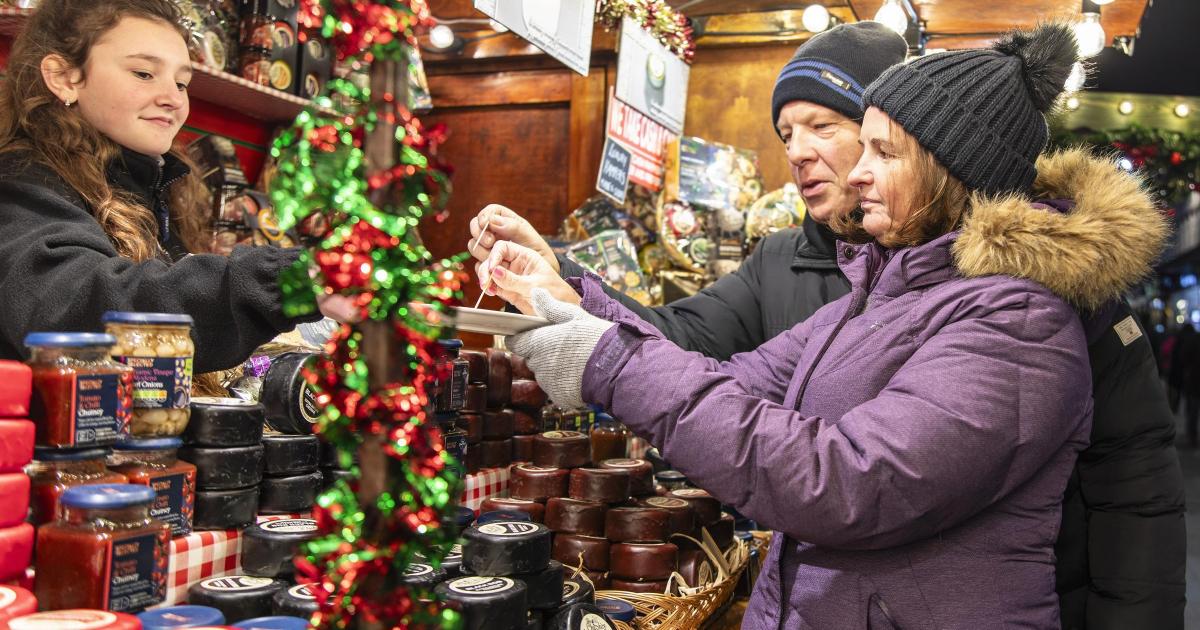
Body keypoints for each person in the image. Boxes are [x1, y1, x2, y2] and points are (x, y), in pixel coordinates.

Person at [472, 26, 1186, 630]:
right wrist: (573, 302)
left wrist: (609, 361)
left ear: (948, 168)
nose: (857, 173)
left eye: (882, 151)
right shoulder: (874, 296)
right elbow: (723, 378)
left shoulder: (1021, 318)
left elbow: (848, 483)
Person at [470, 21, 907, 359]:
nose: (796, 153)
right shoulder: (777, 259)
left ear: (883, 135)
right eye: (786, 134)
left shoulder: (948, 265)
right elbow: (675, 334)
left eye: (822, 126)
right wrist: (558, 273)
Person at [0, 0, 352, 373]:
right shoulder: (20, 185)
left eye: (182, 82)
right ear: (64, 77)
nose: (173, 99)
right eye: (143, 73)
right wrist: (296, 279)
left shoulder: (150, 187)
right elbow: (82, 308)